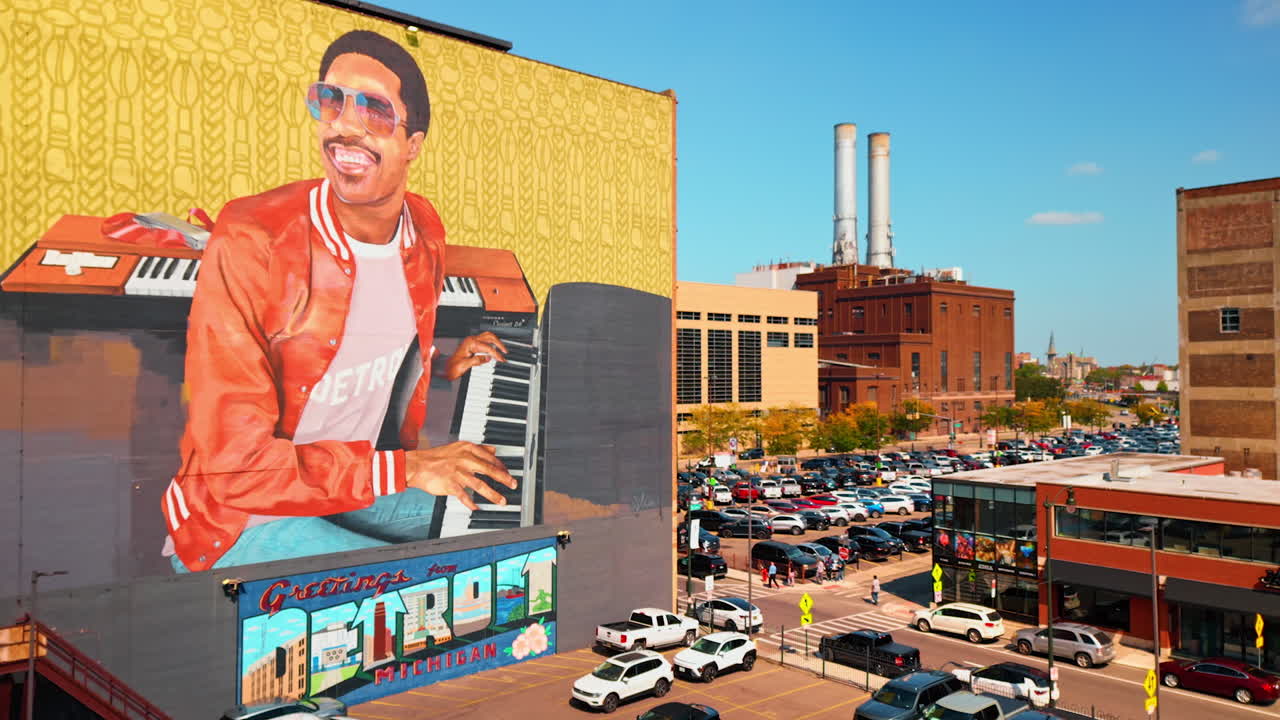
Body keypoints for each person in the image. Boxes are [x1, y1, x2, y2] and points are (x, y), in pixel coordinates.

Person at [163, 30, 516, 573]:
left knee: (500, 512)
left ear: (413, 144)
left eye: (375, 109)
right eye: (330, 100)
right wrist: (407, 469)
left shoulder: (422, 225)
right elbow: (236, 465)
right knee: (430, 583)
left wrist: (443, 365)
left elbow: (365, 346)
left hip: (353, 484)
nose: (345, 125)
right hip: (241, 514)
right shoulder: (251, 235)